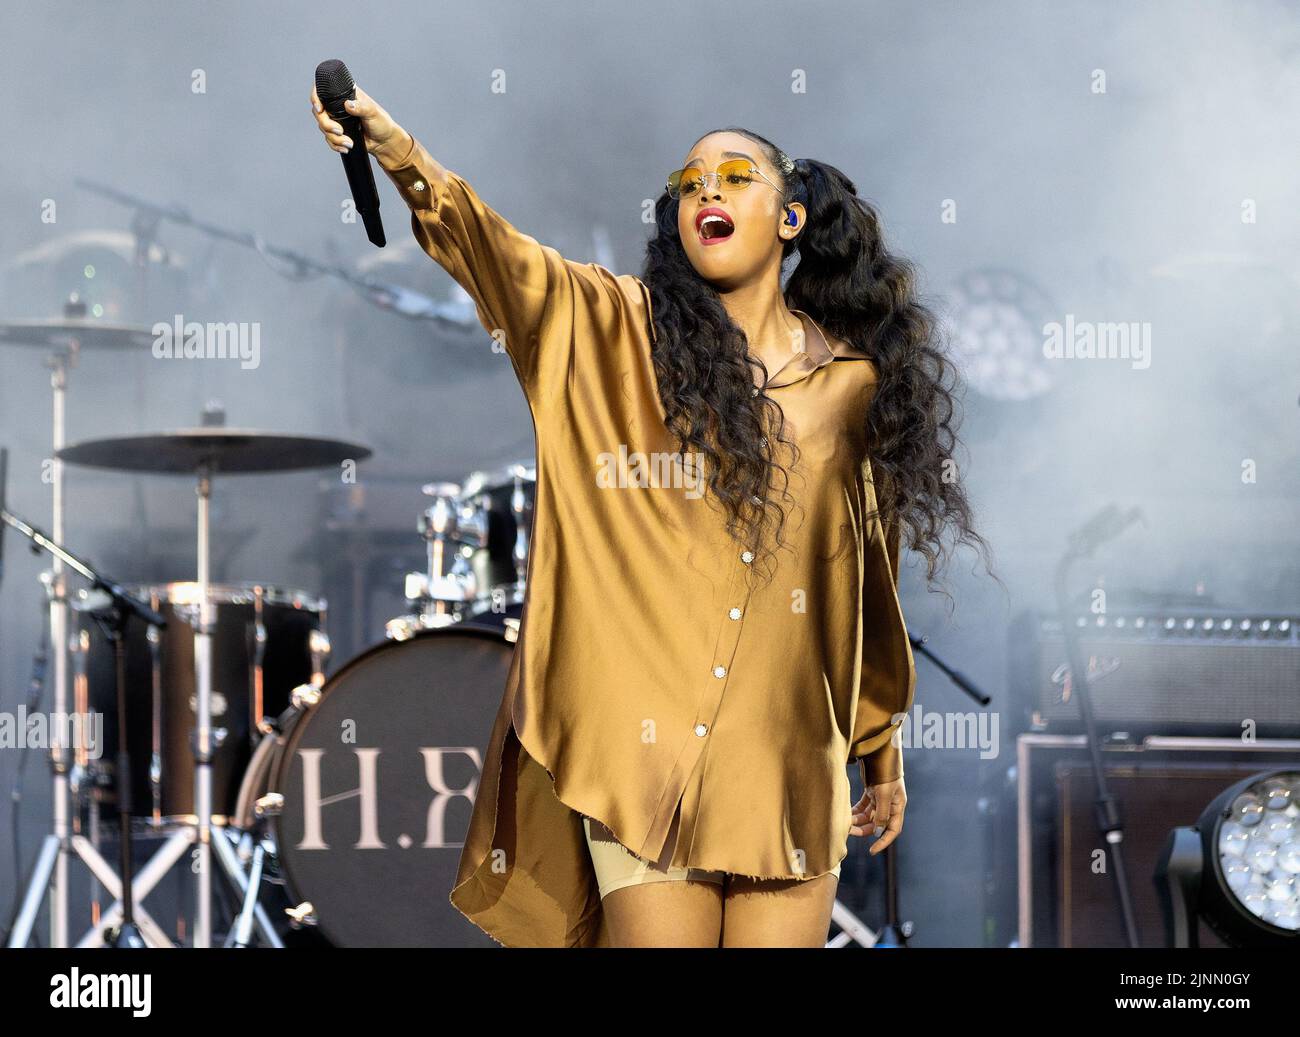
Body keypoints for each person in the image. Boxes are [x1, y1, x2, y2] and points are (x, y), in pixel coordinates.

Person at [310, 84, 994, 947]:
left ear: (790, 219)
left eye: (736, 176)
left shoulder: (850, 386)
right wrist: (398, 151)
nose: (706, 190)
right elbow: (495, 252)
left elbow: (864, 582)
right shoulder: (610, 330)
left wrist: (880, 749)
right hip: (644, 758)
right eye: (690, 180)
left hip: (785, 759)